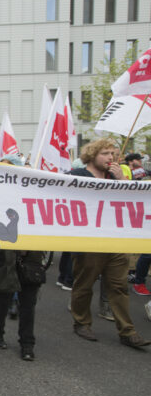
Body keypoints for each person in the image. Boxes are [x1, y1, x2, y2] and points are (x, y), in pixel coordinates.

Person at [68, 138, 150, 349]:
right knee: (84, 284)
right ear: (92, 154)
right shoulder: (78, 175)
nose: (110, 158)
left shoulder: (115, 175)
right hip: (89, 239)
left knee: (118, 286)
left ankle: (127, 331)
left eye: (112, 154)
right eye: (105, 153)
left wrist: (122, 180)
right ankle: (82, 322)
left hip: (114, 238)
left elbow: (130, 201)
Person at [0, 250, 45, 360]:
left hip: (30, 262)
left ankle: (27, 344)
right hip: (5, 261)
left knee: (28, 305)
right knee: (2, 300)